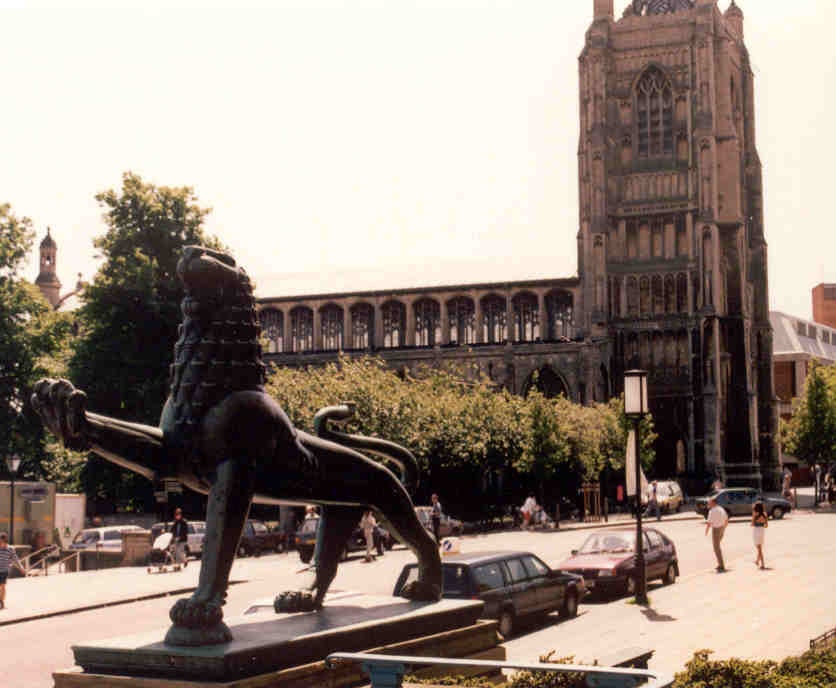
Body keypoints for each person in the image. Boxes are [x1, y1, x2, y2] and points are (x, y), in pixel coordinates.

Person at [704, 496, 729, 572]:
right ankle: (720, 564)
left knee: (716, 548)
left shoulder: (712, 511)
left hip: (716, 529)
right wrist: (724, 529)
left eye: (709, 503)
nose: (708, 504)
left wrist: (706, 531)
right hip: (721, 528)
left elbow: (709, 523)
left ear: (713, 503)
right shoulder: (721, 509)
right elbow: (726, 520)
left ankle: (721, 565)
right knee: (717, 547)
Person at [0, 532, 24, 610]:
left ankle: (2, 601)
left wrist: (21, 568)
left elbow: (15, 559)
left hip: (4, 571)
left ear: (5, 541)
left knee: (3, 586)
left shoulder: (10, 549)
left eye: (1, 542)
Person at [751, 501, 768, 570]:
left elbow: (752, 524)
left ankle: (763, 563)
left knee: (759, 548)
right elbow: (766, 525)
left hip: (756, 530)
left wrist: (755, 521)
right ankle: (757, 561)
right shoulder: (764, 514)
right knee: (760, 546)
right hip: (762, 530)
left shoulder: (755, 513)